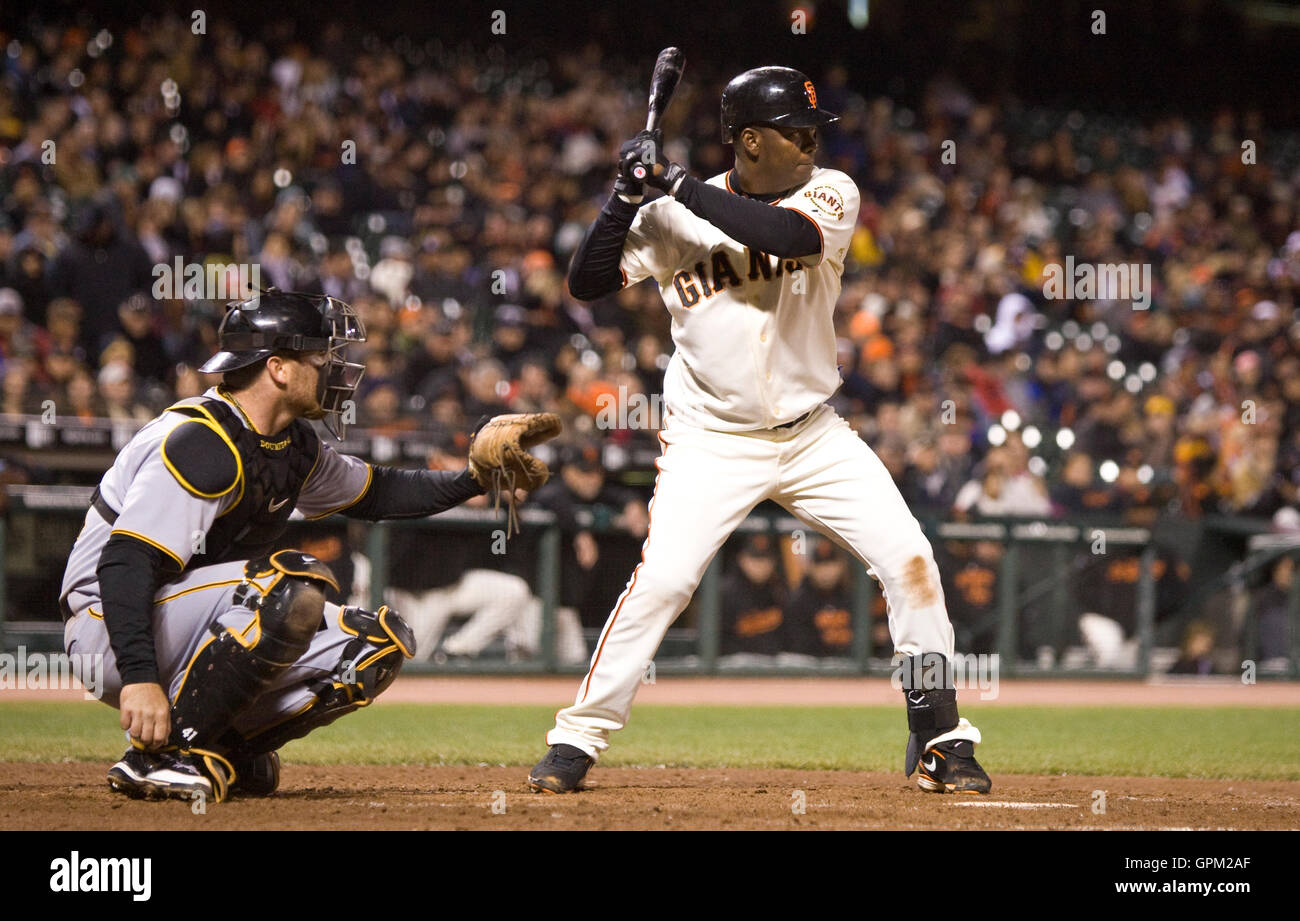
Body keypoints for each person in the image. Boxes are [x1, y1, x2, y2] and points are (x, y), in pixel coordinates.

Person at [529, 66, 991, 796]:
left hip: (813, 435)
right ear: (750, 141)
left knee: (911, 560)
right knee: (665, 581)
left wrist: (674, 180)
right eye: (798, 133)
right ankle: (576, 736)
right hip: (711, 438)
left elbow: (785, 236)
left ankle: (939, 734)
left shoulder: (829, 191)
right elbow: (586, 282)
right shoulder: (671, 217)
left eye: (813, 134)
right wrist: (624, 196)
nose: (812, 144)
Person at [58, 289, 553, 803]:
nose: (334, 369)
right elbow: (125, 562)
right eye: (321, 358)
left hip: (185, 617)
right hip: (109, 626)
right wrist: (139, 679)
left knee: (372, 647)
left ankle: (221, 746)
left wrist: (474, 479)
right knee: (290, 585)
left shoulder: (290, 443)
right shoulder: (203, 440)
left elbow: (377, 490)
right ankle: (155, 757)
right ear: (278, 368)